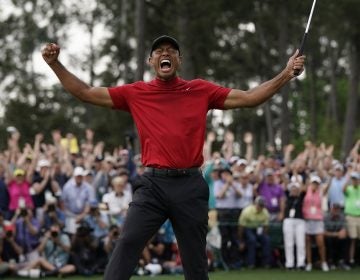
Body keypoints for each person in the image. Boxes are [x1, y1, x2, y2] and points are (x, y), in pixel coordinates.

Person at [41, 35, 305, 280]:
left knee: (195, 263)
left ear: (178, 60)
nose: (164, 54)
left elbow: (249, 98)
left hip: (189, 186)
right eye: (159, 51)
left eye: (170, 51)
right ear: (151, 61)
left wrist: (286, 73)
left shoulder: (200, 90)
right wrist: (56, 65)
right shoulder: (136, 93)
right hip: (153, 185)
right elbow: (86, 93)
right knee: (128, 242)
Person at [238, 196, 271, 268]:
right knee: (252, 240)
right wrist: (241, 241)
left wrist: (264, 236)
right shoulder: (247, 211)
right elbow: (241, 227)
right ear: (255, 204)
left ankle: (266, 263)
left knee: (267, 240)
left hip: (258, 229)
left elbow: (266, 227)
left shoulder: (265, 212)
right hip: (247, 229)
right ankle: (251, 263)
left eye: (262, 205)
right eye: (259, 205)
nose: (260, 207)